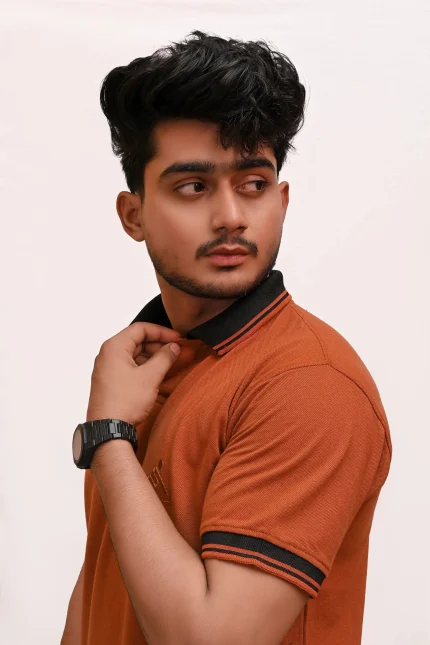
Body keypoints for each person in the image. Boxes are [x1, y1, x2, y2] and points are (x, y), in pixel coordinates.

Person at [61, 30, 392, 645]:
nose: (232, 217)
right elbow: (104, 584)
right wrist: (115, 434)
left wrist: (107, 438)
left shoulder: (307, 384)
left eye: (253, 184)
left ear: (282, 201)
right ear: (133, 215)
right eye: (193, 186)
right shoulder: (146, 371)